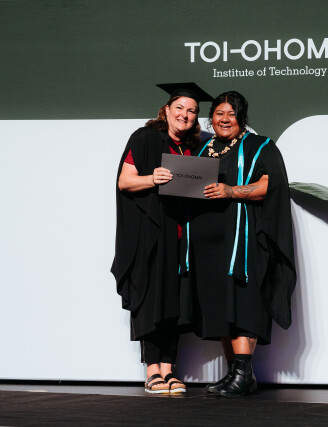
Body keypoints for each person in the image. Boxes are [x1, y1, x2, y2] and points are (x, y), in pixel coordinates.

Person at [189, 90, 296, 397]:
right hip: (209, 243)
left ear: (242, 118)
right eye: (219, 113)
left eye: (232, 114)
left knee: (244, 300)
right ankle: (234, 373)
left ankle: (244, 374)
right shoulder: (202, 148)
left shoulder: (260, 145)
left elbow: (271, 185)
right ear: (211, 117)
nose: (225, 119)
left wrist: (230, 191)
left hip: (243, 239)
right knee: (221, 304)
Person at [111, 82, 212, 394]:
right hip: (153, 236)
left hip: (182, 237)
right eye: (179, 107)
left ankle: (169, 369)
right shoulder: (145, 138)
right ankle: (152, 370)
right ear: (166, 110)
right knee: (152, 300)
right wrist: (151, 178)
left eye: (191, 110)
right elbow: (125, 181)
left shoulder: (195, 148)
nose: (184, 114)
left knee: (177, 303)